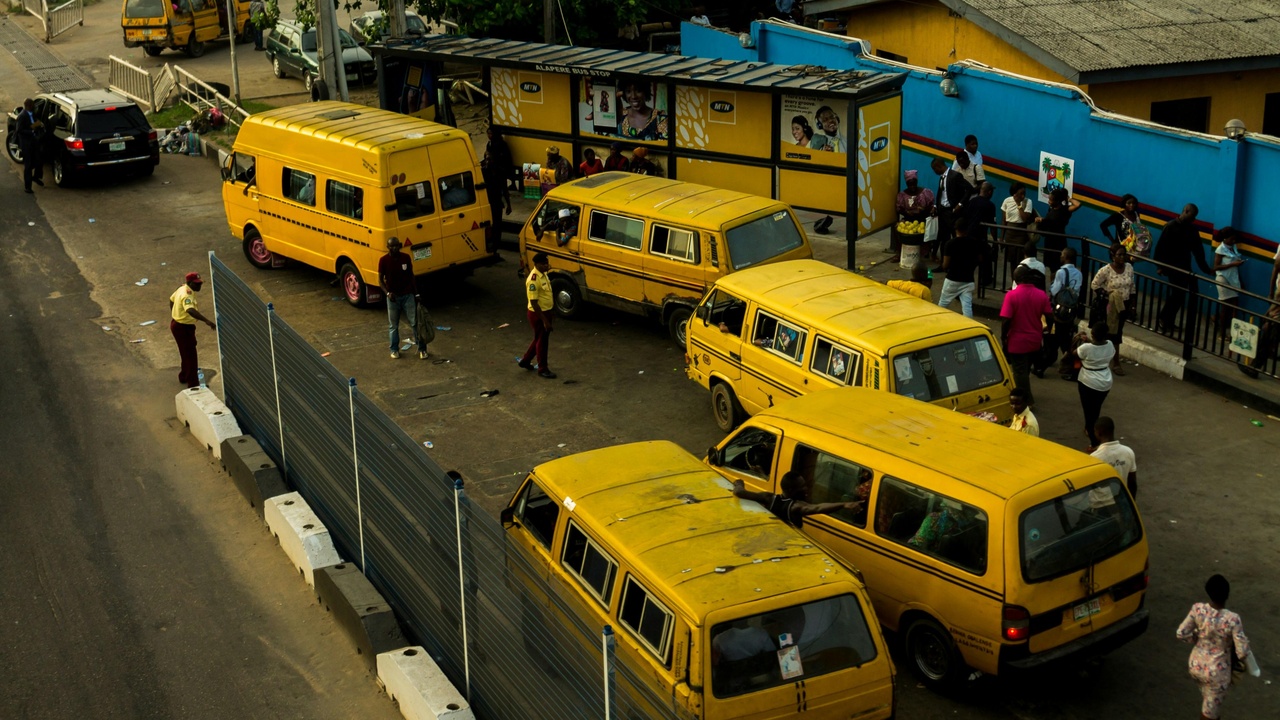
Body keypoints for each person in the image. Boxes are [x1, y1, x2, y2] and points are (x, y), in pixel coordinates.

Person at [1177, 574, 1252, 720]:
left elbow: (1181, 633)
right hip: (1217, 673)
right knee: (1209, 713)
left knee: (1210, 705)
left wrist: (1197, 638)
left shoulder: (1197, 609)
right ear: (1227, 594)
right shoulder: (1233, 619)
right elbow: (1242, 652)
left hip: (1196, 666)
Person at [1154, 203, 1213, 333]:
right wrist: (1160, 266)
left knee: (1179, 295)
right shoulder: (1170, 227)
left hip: (1184, 266)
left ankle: (1168, 320)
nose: (1194, 219)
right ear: (1185, 211)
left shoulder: (1192, 230)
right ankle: (1164, 319)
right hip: (1171, 266)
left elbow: (1198, 251)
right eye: (1192, 216)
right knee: (1177, 294)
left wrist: (1206, 269)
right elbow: (1160, 248)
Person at [1000, 265, 1054, 406]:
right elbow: (1050, 316)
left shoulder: (1011, 295)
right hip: (1034, 341)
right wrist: (1047, 329)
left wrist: (1003, 337)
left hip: (1017, 342)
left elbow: (1006, 320)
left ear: (1017, 279)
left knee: (1019, 372)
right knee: (1025, 369)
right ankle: (1024, 396)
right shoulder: (1041, 295)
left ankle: (1026, 400)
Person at [731, 471, 862, 529]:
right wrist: (844, 504)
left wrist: (739, 483)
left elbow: (739, 492)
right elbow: (817, 508)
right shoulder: (795, 507)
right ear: (790, 490)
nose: (806, 489)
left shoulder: (769, 498)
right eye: (802, 487)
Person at [1091, 243, 1135, 376]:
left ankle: (1111, 360)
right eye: (1119, 255)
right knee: (1111, 333)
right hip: (1110, 306)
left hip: (1124, 306)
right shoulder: (1106, 270)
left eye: (1124, 255)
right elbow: (1094, 285)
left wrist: (1133, 306)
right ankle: (1114, 362)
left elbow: (1132, 287)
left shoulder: (1129, 268)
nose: (1122, 257)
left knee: (1118, 331)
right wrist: (1107, 295)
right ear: (1112, 256)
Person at [169, 272, 216, 388]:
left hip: (178, 324)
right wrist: (206, 321)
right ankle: (193, 383)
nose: (199, 286)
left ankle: (184, 376)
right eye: (196, 284)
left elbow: (171, 299)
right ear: (189, 283)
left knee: (185, 353)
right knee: (190, 356)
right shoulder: (187, 295)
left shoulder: (182, 288)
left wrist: (175, 314)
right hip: (182, 328)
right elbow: (190, 310)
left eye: (200, 284)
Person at [379, 237, 422, 360]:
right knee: (393, 326)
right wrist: (388, 294)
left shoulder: (406, 258)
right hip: (393, 297)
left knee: (414, 323)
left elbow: (411, 276)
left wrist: (416, 294)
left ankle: (422, 348)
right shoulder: (383, 260)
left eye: (397, 246)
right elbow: (380, 281)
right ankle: (394, 349)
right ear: (388, 247)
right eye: (392, 246)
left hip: (408, 295)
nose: (395, 248)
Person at [1074, 322, 1115, 449]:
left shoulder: (1086, 348)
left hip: (1088, 382)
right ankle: (1090, 430)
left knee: (1089, 412)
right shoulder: (1110, 344)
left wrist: (1077, 339)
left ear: (1093, 334)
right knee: (1095, 409)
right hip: (1105, 382)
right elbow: (1099, 347)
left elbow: (1074, 353)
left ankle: (1094, 441)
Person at [519, 252, 556, 379]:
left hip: (546, 311)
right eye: (544, 264)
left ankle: (525, 360)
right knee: (542, 342)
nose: (547, 265)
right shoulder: (533, 280)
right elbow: (534, 303)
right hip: (538, 314)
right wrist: (545, 321)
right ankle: (542, 368)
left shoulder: (543, 274)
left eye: (547, 263)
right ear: (537, 265)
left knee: (539, 339)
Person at [1048, 247, 1084, 377]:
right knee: (1067, 334)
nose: (1060, 256)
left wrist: (1051, 284)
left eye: (1062, 254)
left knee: (1057, 335)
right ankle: (1068, 360)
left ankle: (1062, 360)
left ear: (1067, 257)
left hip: (1060, 309)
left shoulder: (1061, 272)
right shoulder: (1079, 273)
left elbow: (1054, 291)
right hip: (1071, 309)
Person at [937, 218, 982, 317]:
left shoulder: (950, 244)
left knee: (942, 305)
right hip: (968, 280)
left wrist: (945, 268)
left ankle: (937, 323)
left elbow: (945, 264)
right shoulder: (974, 242)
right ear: (967, 229)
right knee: (967, 307)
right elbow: (979, 259)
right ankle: (969, 326)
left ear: (956, 229)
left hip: (952, 279)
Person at [930, 157, 970, 263]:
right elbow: (941, 194)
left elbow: (969, 189)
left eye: (934, 169)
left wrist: (960, 204)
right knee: (944, 238)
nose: (934, 172)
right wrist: (935, 206)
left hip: (952, 213)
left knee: (955, 238)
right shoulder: (942, 178)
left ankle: (958, 261)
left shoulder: (955, 176)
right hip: (942, 212)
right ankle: (944, 263)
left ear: (938, 167)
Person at [1036, 188, 1081, 279]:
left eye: (1051, 200)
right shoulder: (1051, 209)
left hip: (1058, 242)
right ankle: (1053, 286)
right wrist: (1041, 220)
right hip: (1049, 241)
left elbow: (1078, 204)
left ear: (1057, 200)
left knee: (1058, 267)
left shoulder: (1065, 210)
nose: (1049, 201)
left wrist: (1068, 198)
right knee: (1052, 268)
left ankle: (1056, 285)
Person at [1090, 416, 1137, 497]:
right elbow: (1132, 483)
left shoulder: (1094, 457)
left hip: (1101, 503)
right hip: (1121, 500)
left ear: (1098, 433)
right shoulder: (1128, 452)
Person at [1212, 227, 1245, 342]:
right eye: (1231, 239)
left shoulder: (1233, 248)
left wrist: (1240, 281)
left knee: (1234, 306)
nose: (1233, 241)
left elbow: (1235, 267)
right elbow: (1216, 267)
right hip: (1223, 279)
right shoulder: (1220, 249)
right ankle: (1222, 333)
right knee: (1225, 308)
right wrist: (1233, 264)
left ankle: (1233, 333)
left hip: (1233, 280)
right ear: (1225, 238)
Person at [1099, 193, 1152, 258]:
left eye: (1133, 203)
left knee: (1129, 265)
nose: (1131, 205)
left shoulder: (1136, 214)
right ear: (1124, 204)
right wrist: (1113, 242)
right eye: (1129, 203)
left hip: (1133, 247)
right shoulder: (1118, 216)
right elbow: (1103, 225)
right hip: (1121, 248)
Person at [999, 182, 1037, 270]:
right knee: (1012, 262)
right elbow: (1004, 221)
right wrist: (1001, 237)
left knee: (1020, 261)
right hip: (1009, 235)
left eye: (1024, 193)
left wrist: (1018, 204)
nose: (1023, 196)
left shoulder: (1028, 202)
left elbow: (1024, 218)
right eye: (1021, 194)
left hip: (1021, 235)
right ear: (1014, 194)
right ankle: (1014, 282)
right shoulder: (1007, 201)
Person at [966, 182, 997, 285]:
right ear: (989, 192)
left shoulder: (972, 201)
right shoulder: (990, 205)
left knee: (971, 259)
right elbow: (992, 225)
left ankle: (965, 280)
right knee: (985, 257)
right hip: (980, 237)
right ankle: (985, 281)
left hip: (969, 235)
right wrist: (995, 241)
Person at [15, 98, 45, 194]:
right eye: (33, 105)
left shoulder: (32, 113)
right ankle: (27, 187)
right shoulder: (22, 116)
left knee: (39, 160)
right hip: (26, 143)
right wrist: (31, 131)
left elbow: (34, 121)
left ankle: (36, 177)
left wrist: (38, 124)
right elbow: (19, 130)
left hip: (34, 141)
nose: (34, 106)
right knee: (28, 165)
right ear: (28, 106)